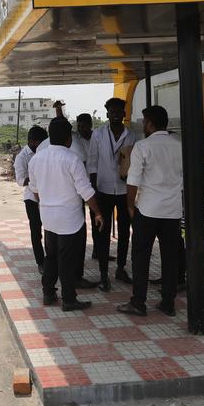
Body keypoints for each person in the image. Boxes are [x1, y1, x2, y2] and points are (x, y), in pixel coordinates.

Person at [29, 117, 104, 311]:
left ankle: (48, 292)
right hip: (70, 219)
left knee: (51, 256)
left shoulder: (36, 159)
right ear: (68, 139)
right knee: (67, 260)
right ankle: (69, 299)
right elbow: (86, 191)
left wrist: (46, 203)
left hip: (48, 216)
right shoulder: (72, 159)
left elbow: (35, 190)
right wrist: (97, 212)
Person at [120, 106, 184, 317]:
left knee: (141, 256)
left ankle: (138, 302)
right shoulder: (179, 145)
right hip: (172, 211)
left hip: (147, 210)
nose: (143, 125)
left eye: (144, 121)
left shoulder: (143, 146)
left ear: (150, 123)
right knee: (170, 257)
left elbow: (133, 180)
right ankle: (168, 302)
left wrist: (130, 206)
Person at [87, 97, 139, 291]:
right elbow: (92, 162)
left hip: (125, 190)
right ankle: (103, 273)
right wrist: (93, 188)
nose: (116, 115)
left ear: (124, 114)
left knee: (125, 230)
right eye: (112, 112)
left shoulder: (131, 136)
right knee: (103, 232)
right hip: (103, 189)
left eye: (119, 112)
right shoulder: (98, 135)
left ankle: (121, 268)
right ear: (107, 114)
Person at [69, 113, 99, 289]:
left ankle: (96, 249)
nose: (82, 129)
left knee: (96, 221)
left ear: (90, 125)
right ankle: (76, 277)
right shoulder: (75, 140)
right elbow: (63, 127)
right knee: (80, 226)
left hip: (94, 184)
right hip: (80, 188)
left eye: (84, 126)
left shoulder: (97, 138)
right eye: (79, 126)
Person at [14, 126, 49, 273]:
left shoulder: (46, 152)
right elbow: (20, 180)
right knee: (36, 231)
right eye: (41, 143)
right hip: (32, 199)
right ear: (33, 142)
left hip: (47, 197)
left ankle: (51, 260)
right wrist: (36, 178)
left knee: (50, 230)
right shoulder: (22, 157)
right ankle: (40, 262)